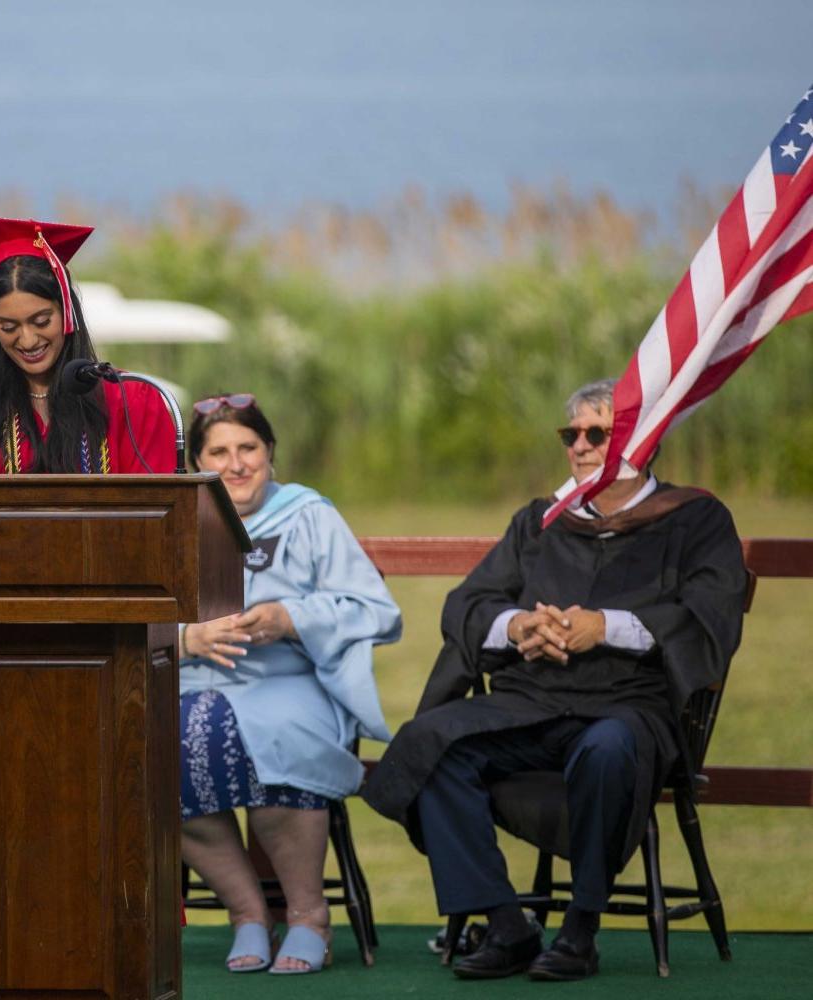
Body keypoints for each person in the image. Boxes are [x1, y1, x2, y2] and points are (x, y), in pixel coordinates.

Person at [362, 378, 748, 982]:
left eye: (598, 433)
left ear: (642, 441)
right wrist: (517, 626)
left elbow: (710, 613)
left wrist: (608, 627)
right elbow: (470, 602)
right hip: (530, 701)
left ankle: (580, 929)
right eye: (572, 435)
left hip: (628, 707)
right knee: (431, 743)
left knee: (608, 748)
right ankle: (506, 923)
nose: (581, 446)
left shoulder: (695, 520)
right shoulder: (541, 522)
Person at [178, 394, 402, 974]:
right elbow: (135, 614)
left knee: (273, 735)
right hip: (193, 680)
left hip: (293, 679)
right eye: (218, 452)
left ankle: (308, 916)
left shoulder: (308, 515)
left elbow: (376, 610)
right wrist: (185, 638)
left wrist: (291, 618)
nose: (236, 464)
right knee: (154, 748)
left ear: (270, 452)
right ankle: (248, 912)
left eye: (248, 448)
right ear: (195, 462)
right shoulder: (177, 520)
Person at [0, 216, 176, 475]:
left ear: (67, 311)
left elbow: (162, 507)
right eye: (9, 327)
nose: (28, 340)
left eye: (42, 321)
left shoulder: (131, 400)